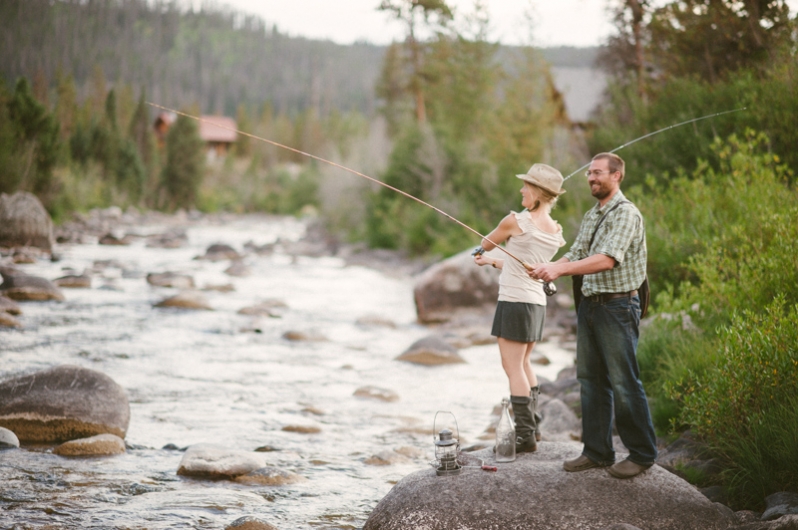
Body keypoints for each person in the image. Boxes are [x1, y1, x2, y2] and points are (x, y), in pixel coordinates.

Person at [528, 152, 657, 478]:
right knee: (590, 381)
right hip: (589, 306)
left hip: (617, 307)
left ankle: (642, 454)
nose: (591, 178)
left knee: (624, 382)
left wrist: (561, 270)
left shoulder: (626, 214)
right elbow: (578, 252)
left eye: (598, 173)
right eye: (589, 173)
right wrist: (552, 266)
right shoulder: (592, 214)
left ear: (617, 176)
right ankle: (598, 451)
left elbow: (606, 259)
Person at [474, 163, 566, 453]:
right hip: (535, 304)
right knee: (525, 364)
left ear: (538, 192)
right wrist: (491, 262)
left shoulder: (516, 221)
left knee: (512, 367)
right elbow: (524, 264)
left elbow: (486, 242)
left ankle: (525, 435)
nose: (522, 190)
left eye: (527, 186)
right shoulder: (554, 231)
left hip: (514, 302)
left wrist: (482, 251)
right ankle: (533, 429)